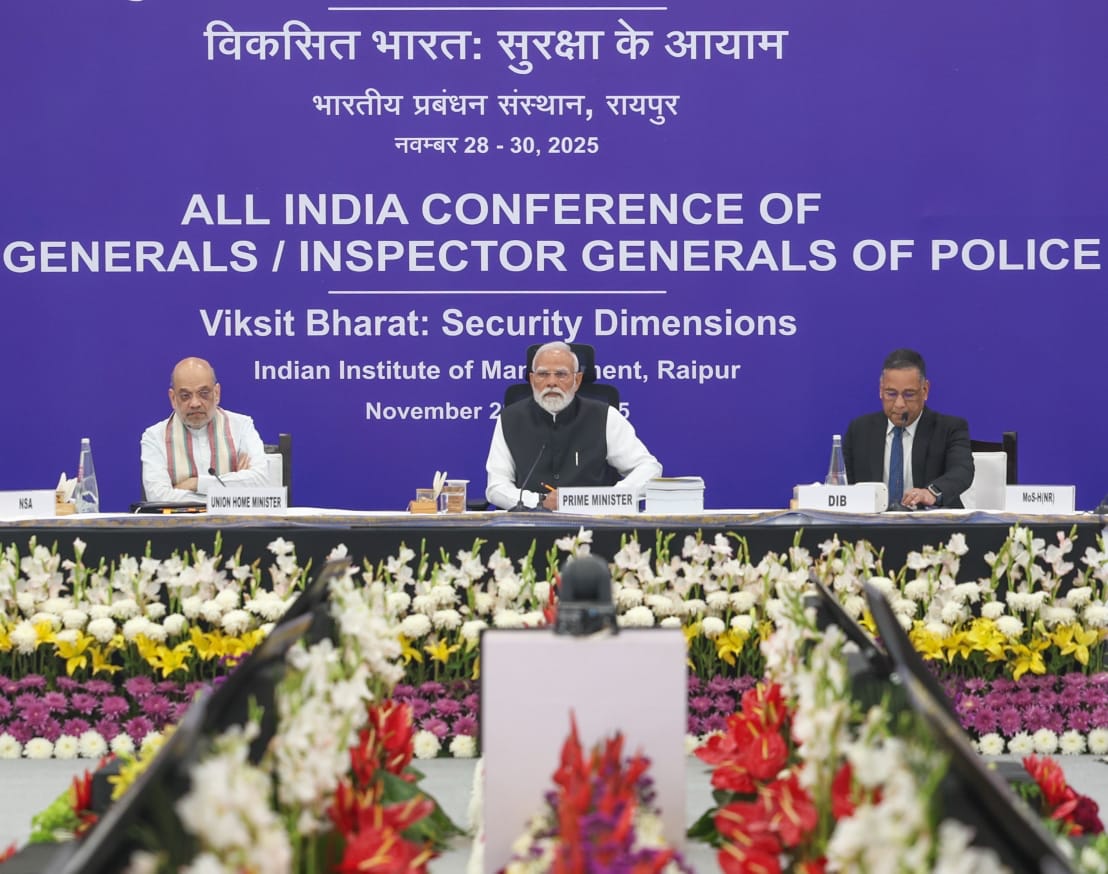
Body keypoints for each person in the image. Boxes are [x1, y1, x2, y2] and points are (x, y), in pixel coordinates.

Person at [485, 341, 662, 510]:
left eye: (561, 374)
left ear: (577, 380)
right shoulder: (510, 419)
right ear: (532, 380)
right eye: (543, 374)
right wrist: (540, 501)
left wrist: (607, 498)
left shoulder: (605, 416)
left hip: (594, 522)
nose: (551, 382)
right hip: (530, 521)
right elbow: (496, 486)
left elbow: (649, 468)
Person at [843, 348, 974, 510]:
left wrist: (931, 493)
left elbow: (962, 471)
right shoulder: (859, 430)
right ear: (881, 390)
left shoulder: (949, 428)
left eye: (909, 394)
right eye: (891, 394)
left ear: (925, 390)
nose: (899, 404)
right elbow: (844, 485)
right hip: (874, 523)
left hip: (932, 523)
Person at [141, 357, 269, 502]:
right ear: (173, 398)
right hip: (183, 519)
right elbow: (158, 497)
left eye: (203, 393)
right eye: (185, 396)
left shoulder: (241, 426)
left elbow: (262, 483)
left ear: (217, 393)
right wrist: (234, 490)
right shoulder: (154, 437)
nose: (195, 403)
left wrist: (196, 484)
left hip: (234, 519)